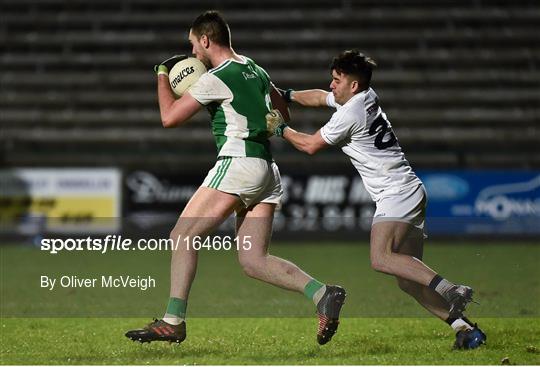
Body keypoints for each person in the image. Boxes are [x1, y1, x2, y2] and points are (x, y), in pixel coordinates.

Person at [125, 10, 346, 346]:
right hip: (266, 170)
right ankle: (322, 293)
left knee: (182, 235)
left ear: (205, 39)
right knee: (253, 260)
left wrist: (160, 74)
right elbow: (281, 113)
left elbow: (169, 118)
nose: (193, 54)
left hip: (239, 162)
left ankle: (173, 321)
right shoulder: (254, 68)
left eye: (193, 45)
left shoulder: (214, 78)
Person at [266, 50, 486, 349]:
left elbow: (310, 145)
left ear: (352, 85)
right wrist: (287, 95)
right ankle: (466, 330)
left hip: (397, 193)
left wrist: (279, 129)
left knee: (380, 258)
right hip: (409, 190)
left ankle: (451, 289)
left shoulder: (350, 113)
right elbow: (319, 97)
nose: (331, 86)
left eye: (336, 80)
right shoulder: (366, 96)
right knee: (408, 279)